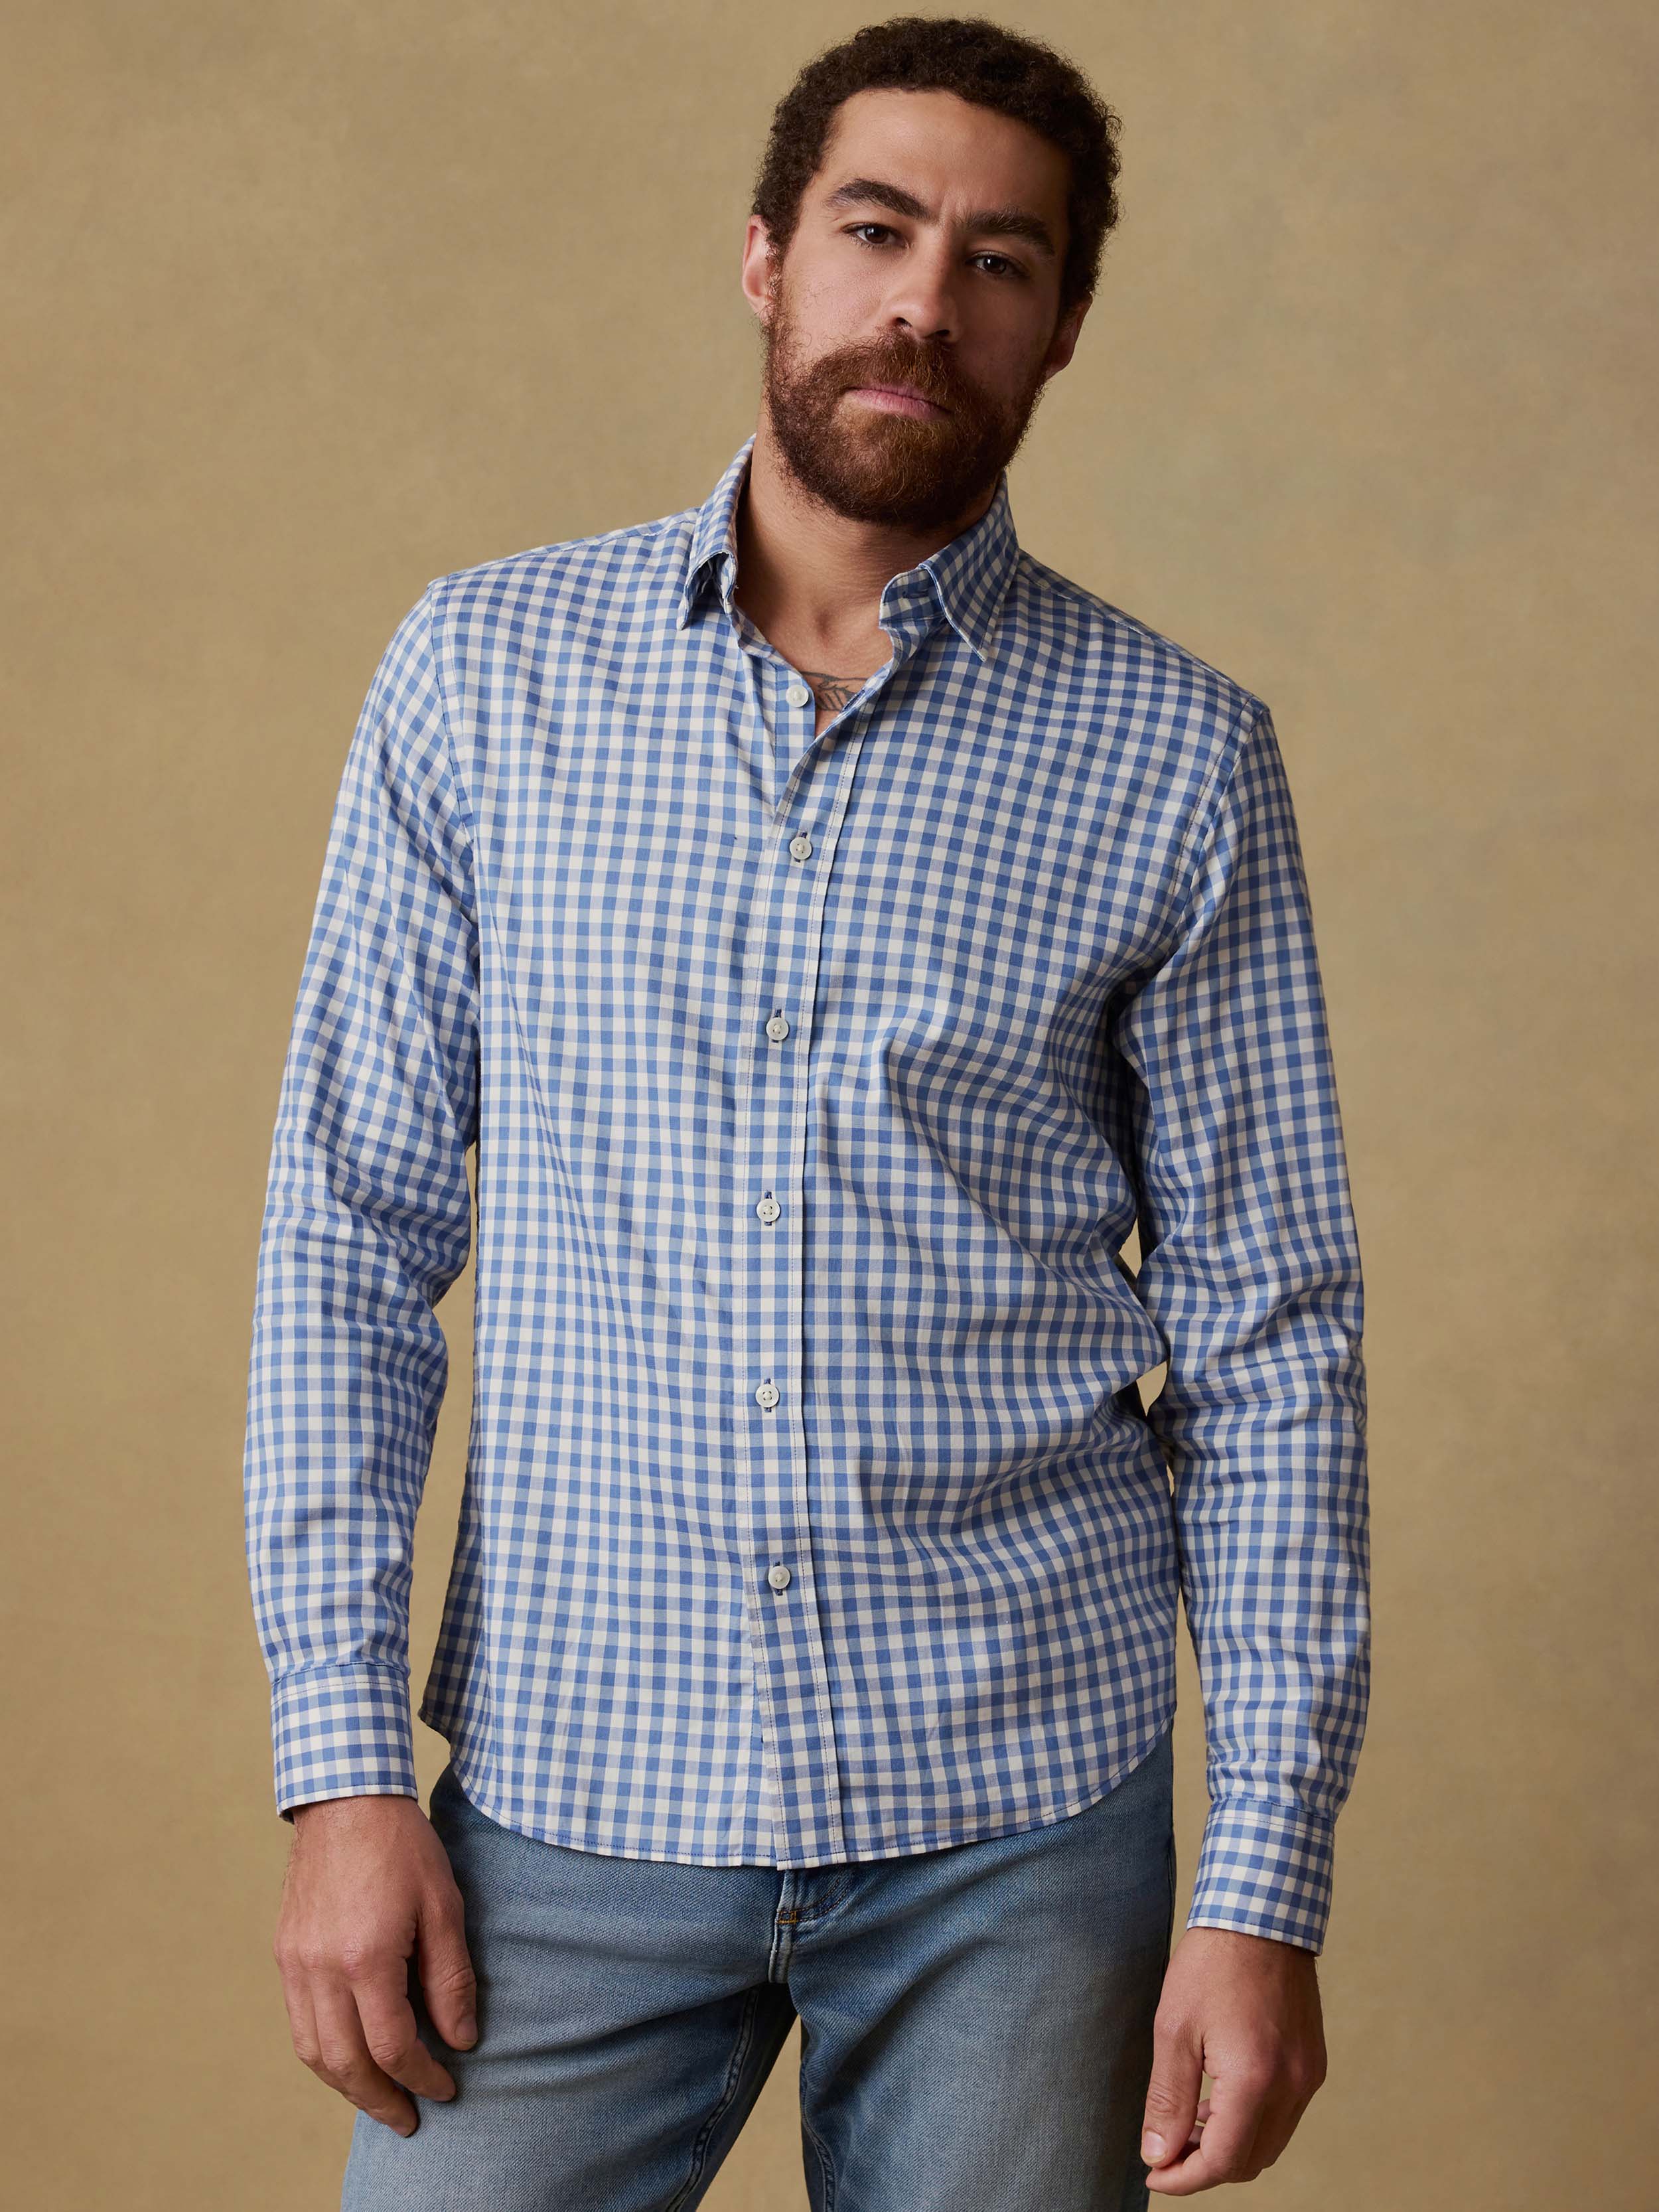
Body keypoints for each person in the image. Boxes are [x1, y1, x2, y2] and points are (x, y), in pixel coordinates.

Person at [243, 16, 1370, 2208]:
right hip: (568, 1789)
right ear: (764, 259)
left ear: (1058, 330)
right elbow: (350, 1237)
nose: (922, 302)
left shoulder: (1176, 757)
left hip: (1014, 1823)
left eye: (999, 261)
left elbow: (1271, 1339)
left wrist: (1263, 1883)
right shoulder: (486, 675)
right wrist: (337, 1772)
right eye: (875, 229)